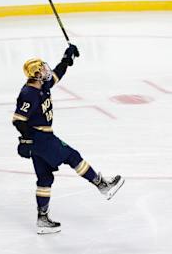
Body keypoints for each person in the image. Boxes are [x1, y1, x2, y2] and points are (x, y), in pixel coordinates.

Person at [12, 44, 125, 234]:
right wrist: (28, 140)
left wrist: (66, 59)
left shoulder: (42, 84)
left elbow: (56, 74)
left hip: (40, 139)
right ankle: (101, 185)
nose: (45, 70)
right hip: (42, 138)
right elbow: (18, 121)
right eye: (41, 69)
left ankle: (42, 219)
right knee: (72, 156)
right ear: (36, 74)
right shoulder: (28, 94)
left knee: (45, 178)